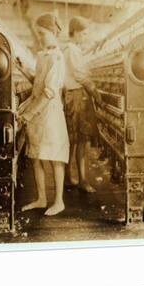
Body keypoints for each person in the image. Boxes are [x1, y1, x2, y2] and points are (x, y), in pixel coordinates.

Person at [16, 13, 69, 216]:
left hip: (50, 113)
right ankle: (41, 198)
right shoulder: (42, 56)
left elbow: (49, 92)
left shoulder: (57, 58)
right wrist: (22, 70)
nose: (40, 37)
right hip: (38, 111)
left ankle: (59, 201)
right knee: (36, 156)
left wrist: (30, 114)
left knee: (55, 158)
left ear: (53, 32)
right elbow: (37, 83)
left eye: (43, 33)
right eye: (39, 34)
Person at [62, 16, 100, 193]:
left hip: (74, 96)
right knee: (80, 140)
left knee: (74, 139)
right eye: (83, 33)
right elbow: (79, 74)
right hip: (78, 97)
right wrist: (94, 91)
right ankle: (81, 180)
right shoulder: (71, 50)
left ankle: (70, 178)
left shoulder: (72, 50)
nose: (85, 37)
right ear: (75, 32)